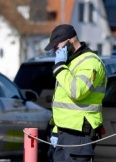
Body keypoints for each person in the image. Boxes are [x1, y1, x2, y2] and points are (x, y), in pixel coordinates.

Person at [44, 24, 107, 162]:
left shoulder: (90, 62)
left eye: (57, 45)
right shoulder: (70, 63)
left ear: (69, 41)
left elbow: (77, 91)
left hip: (80, 133)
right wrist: (56, 130)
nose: (55, 50)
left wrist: (60, 67)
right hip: (64, 132)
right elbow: (63, 102)